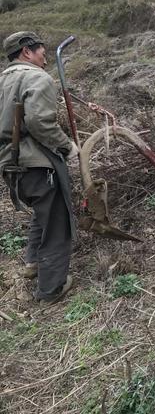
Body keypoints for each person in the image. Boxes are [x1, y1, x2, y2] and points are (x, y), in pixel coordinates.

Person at [0, 31, 78, 305]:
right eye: (41, 52)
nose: (45, 57)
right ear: (26, 52)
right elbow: (40, 122)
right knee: (58, 222)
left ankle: (33, 262)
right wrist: (67, 146)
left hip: (11, 166)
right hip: (37, 163)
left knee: (41, 211)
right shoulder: (37, 78)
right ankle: (51, 288)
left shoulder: (2, 81)